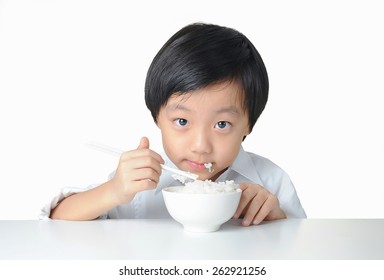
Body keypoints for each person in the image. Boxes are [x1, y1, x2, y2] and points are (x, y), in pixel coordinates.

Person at [41, 22, 306, 226]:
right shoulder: (140, 181)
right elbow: (55, 221)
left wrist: (276, 219)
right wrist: (114, 191)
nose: (200, 146)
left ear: (249, 124)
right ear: (157, 116)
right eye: (182, 121)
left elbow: (305, 251)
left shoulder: (272, 181)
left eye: (222, 124)